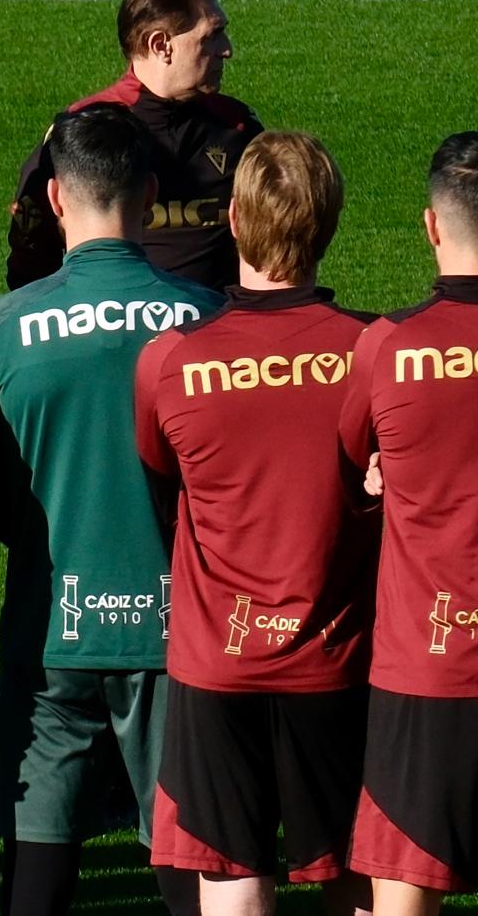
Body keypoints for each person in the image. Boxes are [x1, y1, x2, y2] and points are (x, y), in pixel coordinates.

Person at [0, 104, 224, 916]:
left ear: (58, 201)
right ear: (148, 194)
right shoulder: (210, 321)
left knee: (37, 874)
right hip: (182, 635)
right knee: (193, 870)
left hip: (51, 631)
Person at [133, 131, 376, 916]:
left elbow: (160, 484)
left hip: (216, 665)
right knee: (352, 873)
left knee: (232, 877)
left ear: (232, 219)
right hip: (337, 662)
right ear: (330, 223)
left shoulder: (169, 361)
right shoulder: (374, 350)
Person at [338, 131, 478, 916]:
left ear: (432, 225)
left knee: (402, 895)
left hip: (425, 663)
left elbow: (347, 465)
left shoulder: (388, 345)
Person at [7, 0, 262, 292]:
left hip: (213, 337)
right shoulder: (85, 129)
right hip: (114, 335)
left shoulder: (237, 128)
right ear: (161, 45)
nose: (227, 49)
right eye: (212, 35)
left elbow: (273, 246)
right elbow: (30, 256)